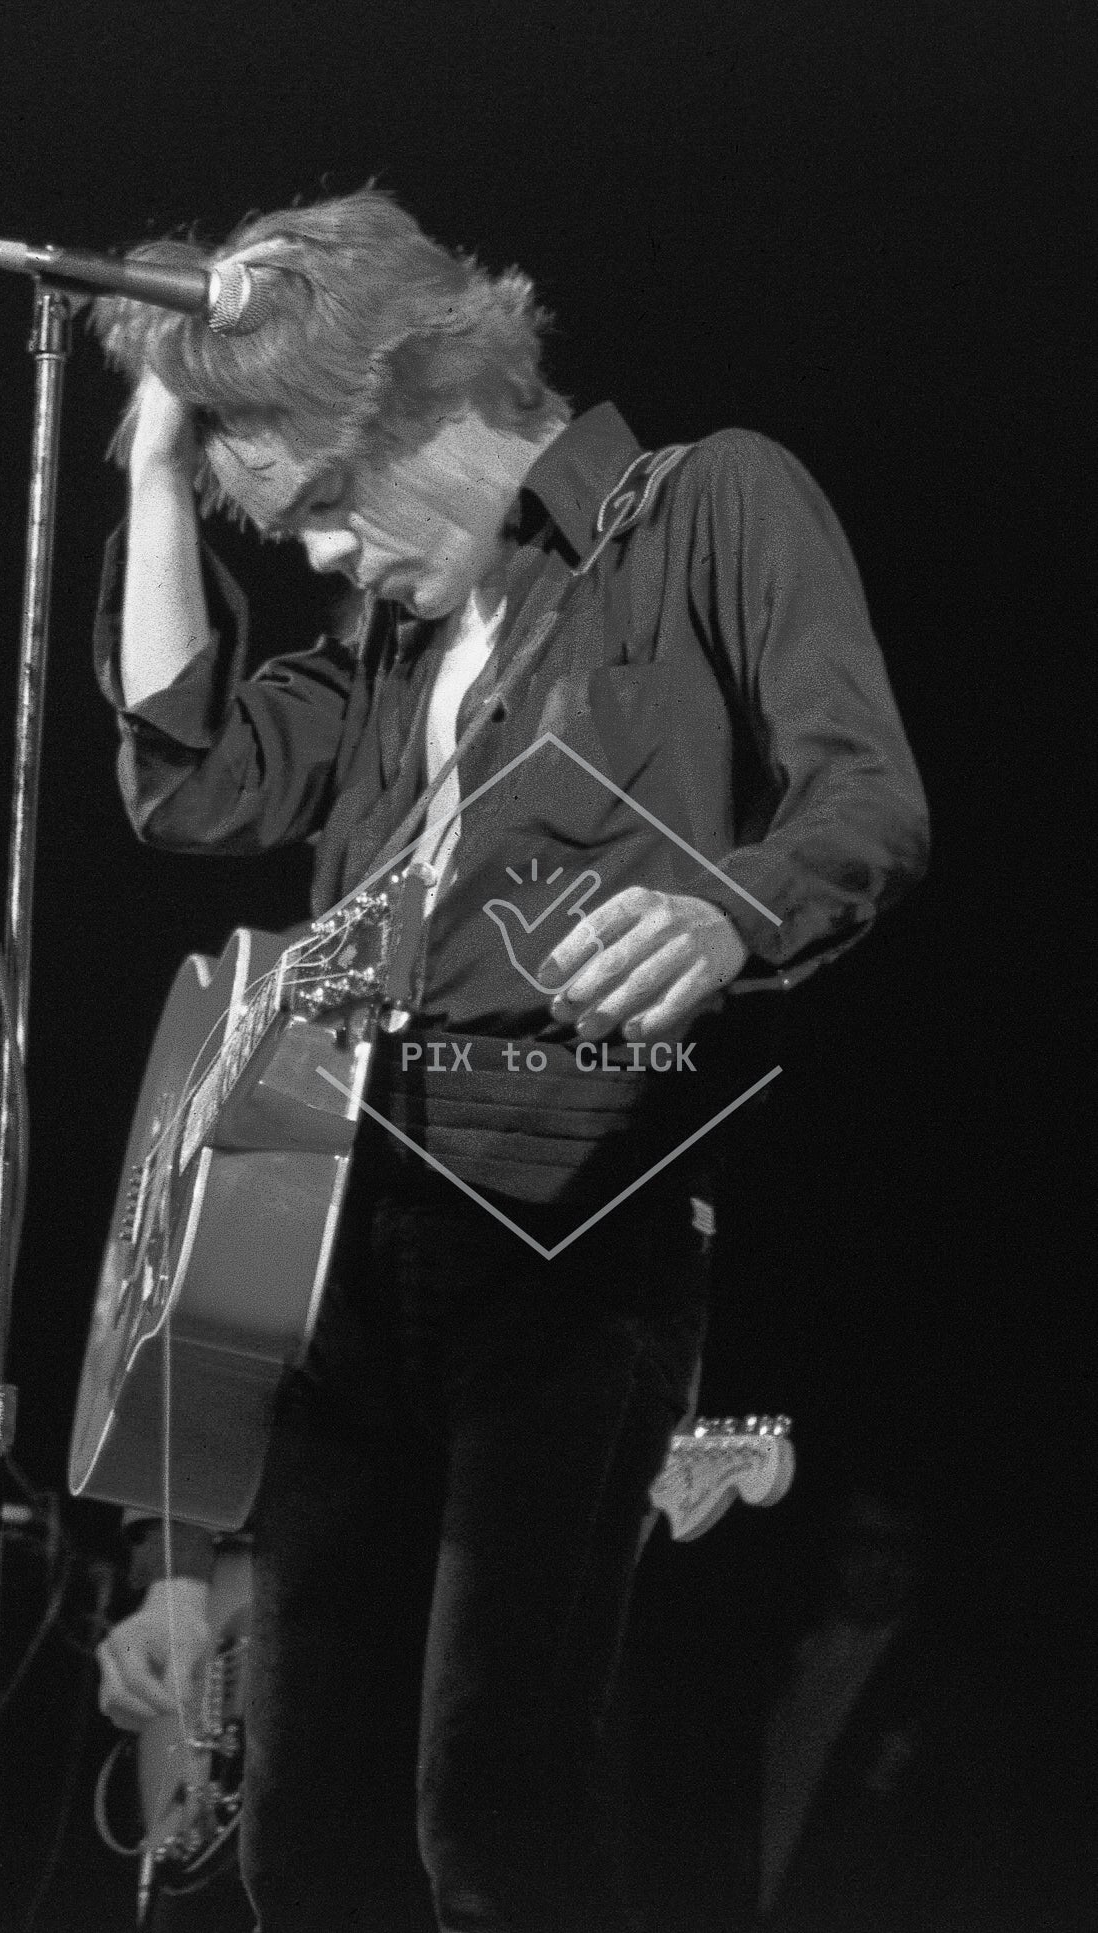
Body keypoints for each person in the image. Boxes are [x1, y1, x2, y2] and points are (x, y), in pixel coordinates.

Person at [90, 188, 928, 1933]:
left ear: (420, 397)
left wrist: (727, 910)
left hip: (570, 1217)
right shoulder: (391, 643)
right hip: (344, 1233)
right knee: (302, 1838)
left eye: (326, 503)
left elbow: (866, 799)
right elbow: (190, 783)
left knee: (491, 1809)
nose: (323, 556)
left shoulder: (704, 505)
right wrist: (162, 461)